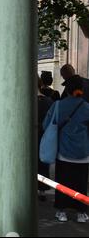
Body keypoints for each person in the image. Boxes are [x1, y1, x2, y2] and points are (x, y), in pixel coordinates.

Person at [43, 79, 89, 223]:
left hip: (63, 152)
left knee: (63, 182)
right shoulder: (87, 107)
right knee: (81, 183)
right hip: (83, 152)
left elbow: (46, 125)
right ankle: (81, 213)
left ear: (67, 91)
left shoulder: (58, 106)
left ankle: (61, 211)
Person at [37, 76, 53, 201]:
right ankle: (42, 190)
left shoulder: (23, 101)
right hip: (44, 136)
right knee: (42, 163)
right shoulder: (48, 101)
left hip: (27, 137)